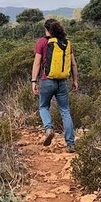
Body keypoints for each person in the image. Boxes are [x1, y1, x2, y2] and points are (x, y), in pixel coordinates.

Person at [31, 18, 79, 152]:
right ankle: (70, 144)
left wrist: (34, 81)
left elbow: (36, 63)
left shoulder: (41, 42)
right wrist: (75, 80)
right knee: (65, 111)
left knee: (43, 107)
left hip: (47, 80)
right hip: (63, 82)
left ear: (46, 29)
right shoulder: (67, 43)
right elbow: (73, 64)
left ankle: (48, 128)